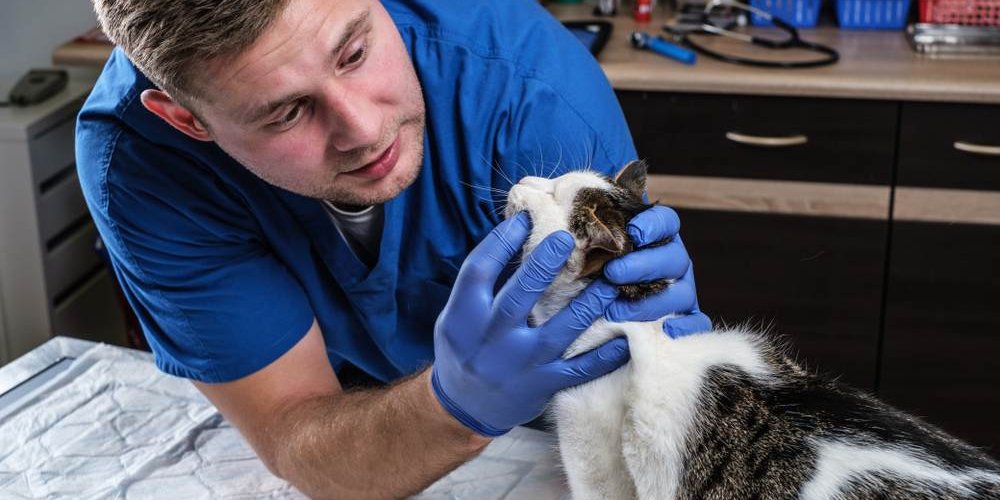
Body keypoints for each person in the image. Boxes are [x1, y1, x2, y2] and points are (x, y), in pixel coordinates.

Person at [77, 0, 711, 496]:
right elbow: (297, 433)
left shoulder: (526, 87)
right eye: (287, 112)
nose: (364, 129)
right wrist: (450, 407)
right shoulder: (142, 166)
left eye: (353, 53)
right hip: (357, 425)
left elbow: (635, 412)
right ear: (189, 120)